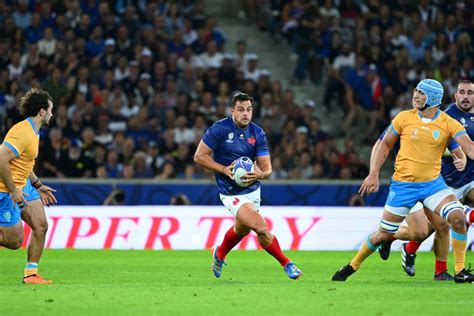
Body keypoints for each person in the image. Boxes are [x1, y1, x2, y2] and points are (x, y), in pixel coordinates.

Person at [332, 79, 474, 283]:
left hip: (433, 185)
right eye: (415, 91)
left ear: (433, 98)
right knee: (385, 234)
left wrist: (460, 155)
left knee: (457, 217)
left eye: (420, 93)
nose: (415, 95)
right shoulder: (403, 118)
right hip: (404, 186)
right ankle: (352, 265)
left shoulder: (447, 122)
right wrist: (373, 173)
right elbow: (383, 145)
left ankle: (459, 271)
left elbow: (468, 148)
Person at [194, 92, 302, 280]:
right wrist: (224, 169)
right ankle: (287, 263)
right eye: (241, 110)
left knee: (242, 229)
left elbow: (267, 169)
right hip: (230, 192)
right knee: (260, 227)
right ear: (232, 111)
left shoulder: (257, 133)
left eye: (249, 110)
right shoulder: (219, 129)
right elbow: (199, 156)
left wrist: (260, 174)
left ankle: (219, 253)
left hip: (252, 190)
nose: (246, 114)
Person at [387, 80, 474, 278]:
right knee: (426, 230)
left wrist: (460, 156)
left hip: (467, 179)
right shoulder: (446, 116)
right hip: (441, 180)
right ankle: (394, 239)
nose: (466, 96)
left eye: (470, 92)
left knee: (447, 223)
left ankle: (442, 270)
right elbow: (438, 143)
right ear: (455, 96)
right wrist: (457, 154)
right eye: (462, 92)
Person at [0, 89, 57, 284]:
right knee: (14, 241)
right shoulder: (22, 132)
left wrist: (37, 184)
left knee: (41, 225)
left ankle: (31, 274)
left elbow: (25, 162)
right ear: (42, 112)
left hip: (24, 182)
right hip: (6, 187)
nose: (52, 114)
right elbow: (1, 158)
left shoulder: (35, 132)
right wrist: (13, 190)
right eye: (51, 110)